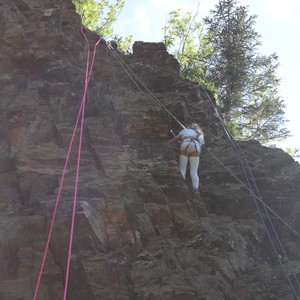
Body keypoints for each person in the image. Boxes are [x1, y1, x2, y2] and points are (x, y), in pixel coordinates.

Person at [168, 123, 205, 196]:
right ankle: (195, 190)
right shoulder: (200, 134)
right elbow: (201, 144)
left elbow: (174, 139)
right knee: (194, 171)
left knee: (182, 169)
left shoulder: (185, 131)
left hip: (185, 144)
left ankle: (181, 188)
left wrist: (169, 142)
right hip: (196, 146)